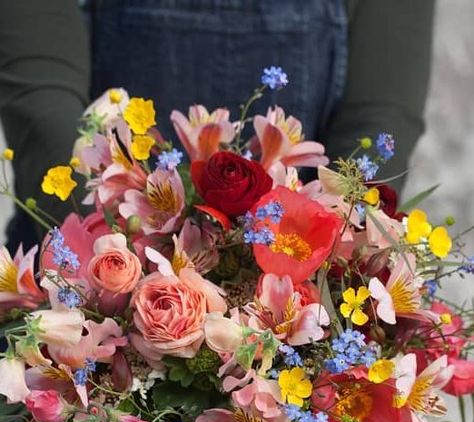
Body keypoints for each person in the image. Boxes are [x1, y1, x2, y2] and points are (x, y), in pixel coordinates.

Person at [0, 0, 435, 251]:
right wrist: (111, 271)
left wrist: (326, 272)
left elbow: (379, 116)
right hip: (83, 297)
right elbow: (42, 103)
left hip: (293, 306)